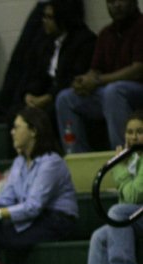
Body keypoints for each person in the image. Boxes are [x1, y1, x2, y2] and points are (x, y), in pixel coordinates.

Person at [0, 106, 77, 260]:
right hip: (35, 217)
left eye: (16, 127)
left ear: (33, 131)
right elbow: (6, 198)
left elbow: (33, 206)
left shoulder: (52, 162)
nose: (12, 132)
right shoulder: (19, 161)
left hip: (56, 220)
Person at [56, 0, 143, 151]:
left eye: (120, 0)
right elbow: (96, 69)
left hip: (137, 90)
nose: (115, 5)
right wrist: (85, 80)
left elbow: (138, 70)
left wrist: (98, 80)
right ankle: (78, 159)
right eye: (110, 1)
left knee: (113, 92)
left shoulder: (141, 27)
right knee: (65, 98)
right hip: (111, 92)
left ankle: (123, 156)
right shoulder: (105, 34)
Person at [86, 111, 143, 264]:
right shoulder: (133, 158)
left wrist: (119, 166)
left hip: (138, 214)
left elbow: (133, 195)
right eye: (129, 132)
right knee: (99, 236)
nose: (133, 137)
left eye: (139, 132)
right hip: (136, 218)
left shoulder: (129, 160)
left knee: (117, 212)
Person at [20, 0, 96, 116]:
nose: (44, 21)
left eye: (49, 17)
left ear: (62, 18)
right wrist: (30, 94)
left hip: (63, 94)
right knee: (16, 112)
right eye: (44, 16)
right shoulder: (47, 43)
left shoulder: (84, 41)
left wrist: (46, 98)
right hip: (46, 93)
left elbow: (72, 78)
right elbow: (38, 75)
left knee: (49, 112)